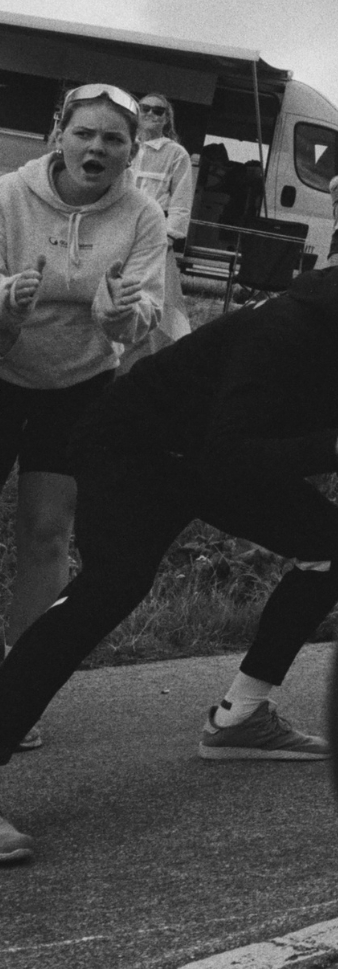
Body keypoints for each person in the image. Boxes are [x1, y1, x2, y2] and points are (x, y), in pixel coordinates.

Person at [0, 234, 338, 862]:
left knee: (335, 545)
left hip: (207, 459)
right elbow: (242, 449)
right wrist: (336, 443)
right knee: (111, 587)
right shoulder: (285, 330)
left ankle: (240, 718)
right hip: (134, 447)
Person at [0, 83, 168, 758]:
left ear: (132, 151)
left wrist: (119, 312)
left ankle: (19, 685)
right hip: (3, 367)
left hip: (80, 380)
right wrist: (5, 297)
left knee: (46, 532)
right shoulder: (9, 195)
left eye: (114, 139)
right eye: (86, 133)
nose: (97, 148)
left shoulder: (142, 214)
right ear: (57, 134)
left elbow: (151, 303)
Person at [122, 92, 194, 368]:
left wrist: (169, 237)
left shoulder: (176, 153)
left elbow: (181, 201)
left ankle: (149, 362)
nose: (151, 114)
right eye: (145, 108)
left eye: (159, 111)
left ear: (167, 119)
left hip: (156, 233)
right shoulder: (127, 145)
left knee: (152, 299)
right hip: (122, 227)